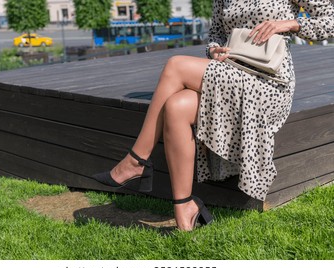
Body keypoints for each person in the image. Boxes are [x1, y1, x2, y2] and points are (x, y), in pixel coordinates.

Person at [93, 0, 334, 231]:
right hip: (232, 69)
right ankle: (184, 206)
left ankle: (136, 160)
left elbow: (330, 21)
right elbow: (216, 34)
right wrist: (214, 50)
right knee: (176, 106)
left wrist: (289, 24)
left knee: (175, 65)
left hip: (269, 82)